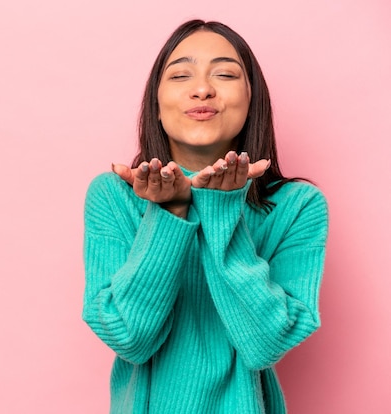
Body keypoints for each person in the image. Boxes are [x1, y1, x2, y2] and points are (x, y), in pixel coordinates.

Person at [82, 19, 328, 413]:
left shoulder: (298, 205)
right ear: (156, 106)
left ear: (252, 101)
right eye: (181, 74)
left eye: (226, 73)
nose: (202, 88)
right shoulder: (114, 196)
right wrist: (169, 212)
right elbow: (130, 337)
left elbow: (265, 342)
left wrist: (219, 210)